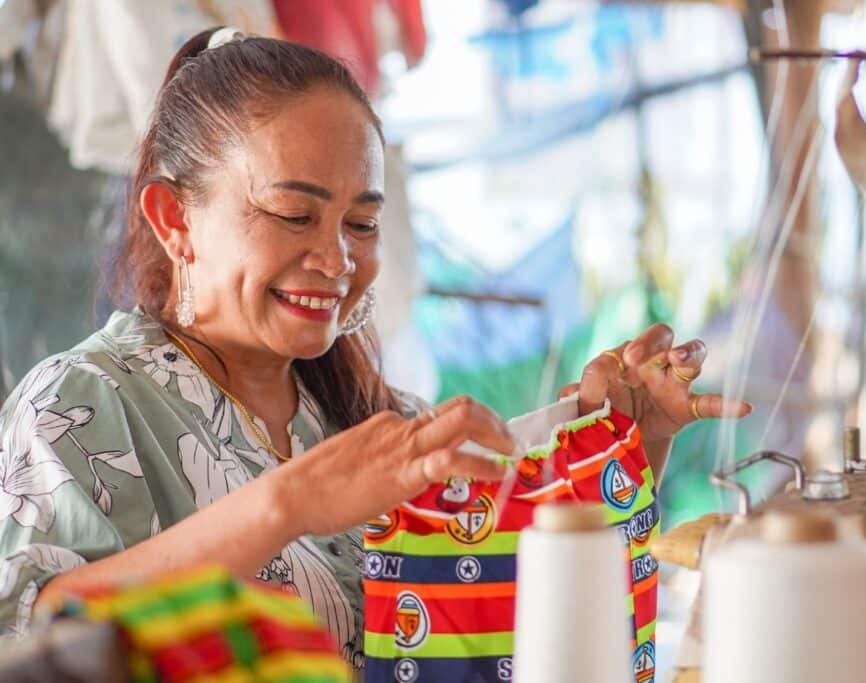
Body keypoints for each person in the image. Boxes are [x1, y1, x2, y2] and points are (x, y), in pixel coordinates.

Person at [0, 28, 751, 670]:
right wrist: (288, 501)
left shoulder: (382, 422)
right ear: (174, 219)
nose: (336, 259)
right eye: (294, 214)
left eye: (361, 225)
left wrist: (621, 448)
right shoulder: (78, 405)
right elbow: (41, 637)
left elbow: (505, 622)